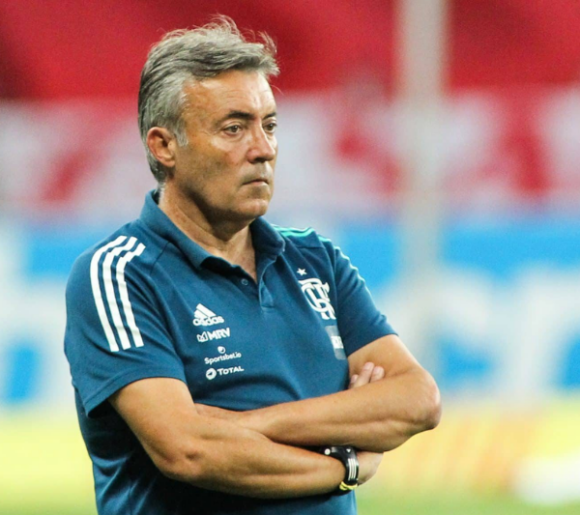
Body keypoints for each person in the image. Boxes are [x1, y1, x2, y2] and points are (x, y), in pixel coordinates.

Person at [64, 18, 441, 515]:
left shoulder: (316, 260)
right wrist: (344, 466)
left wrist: (243, 425)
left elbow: (417, 400)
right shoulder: (118, 274)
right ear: (164, 146)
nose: (262, 149)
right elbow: (188, 450)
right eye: (234, 128)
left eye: (270, 125)